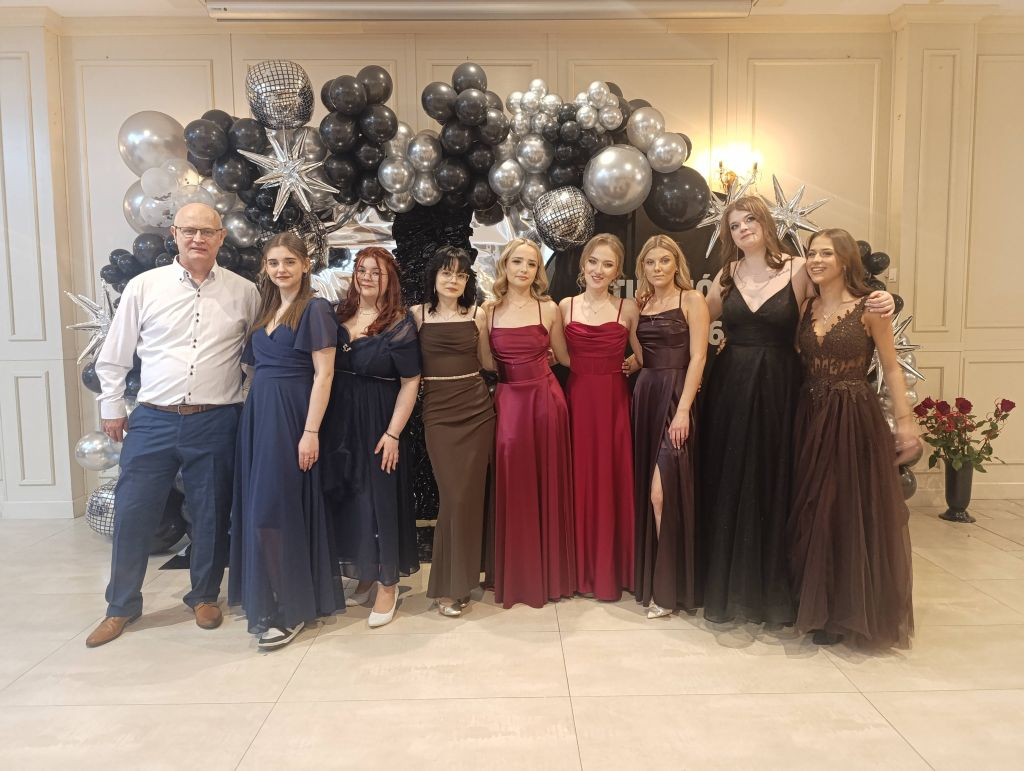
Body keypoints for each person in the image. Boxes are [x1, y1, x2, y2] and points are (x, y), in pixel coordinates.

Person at [700, 196, 894, 626]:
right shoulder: (727, 274)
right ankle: (731, 584)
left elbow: (840, 301)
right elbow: (696, 315)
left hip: (781, 388)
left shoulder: (800, 268)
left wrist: (883, 299)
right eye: (734, 225)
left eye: (750, 220)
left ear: (767, 223)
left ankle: (777, 589)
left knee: (777, 479)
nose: (743, 229)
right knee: (732, 479)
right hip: (731, 389)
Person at [86, 202, 258, 648]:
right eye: (189, 230)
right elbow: (115, 353)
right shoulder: (144, 287)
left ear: (221, 237)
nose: (198, 238)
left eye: (207, 231)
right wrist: (111, 406)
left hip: (216, 420)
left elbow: (253, 358)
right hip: (153, 420)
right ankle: (121, 605)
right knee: (133, 512)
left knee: (210, 514)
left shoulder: (244, 292)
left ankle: (203, 596)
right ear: (174, 235)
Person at [788, 228, 916, 648]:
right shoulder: (806, 307)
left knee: (843, 507)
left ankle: (845, 610)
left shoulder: (870, 307)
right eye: (812, 253)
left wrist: (905, 421)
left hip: (852, 416)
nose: (816, 260)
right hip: (810, 412)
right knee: (813, 506)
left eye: (826, 253)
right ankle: (818, 603)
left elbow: (891, 367)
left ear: (844, 260)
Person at [228, 233, 338, 649]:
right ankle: (274, 595)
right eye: (273, 262)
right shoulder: (266, 309)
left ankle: (289, 608)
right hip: (260, 417)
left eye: (289, 261)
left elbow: (324, 375)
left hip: (292, 417)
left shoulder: (315, 309)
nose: (281, 269)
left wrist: (310, 432)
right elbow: (253, 368)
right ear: (265, 267)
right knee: (262, 509)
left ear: (306, 265)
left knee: (275, 511)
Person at [322, 246, 420, 628]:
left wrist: (393, 433)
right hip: (339, 419)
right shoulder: (337, 314)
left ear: (389, 278)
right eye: (362, 269)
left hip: (379, 419)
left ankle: (387, 583)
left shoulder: (399, 323)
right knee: (350, 497)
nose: (367, 277)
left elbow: (411, 381)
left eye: (376, 272)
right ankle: (364, 570)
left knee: (381, 500)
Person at [624, 236, 709, 617]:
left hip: (676, 397)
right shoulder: (642, 304)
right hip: (646, 396)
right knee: (649, 493)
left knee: (662, 493)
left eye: (664, 261)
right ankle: (658, 583)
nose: (657, 268)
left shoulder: (691, 300)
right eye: (650, 262)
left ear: (677, 264)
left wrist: (684, 409)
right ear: (642, 267)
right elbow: (645, 355)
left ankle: (668, 589)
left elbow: (698, 357)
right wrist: (632, 363)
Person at [488, 238, 575, 609]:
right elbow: (486, 363)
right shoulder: (488, 311)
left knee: (547, 482)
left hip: (545, 401)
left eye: (532, 264)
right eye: (517, 262)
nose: (524, 269)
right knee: (514, 483)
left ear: (539, 271)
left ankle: (551, 575)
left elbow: (565, 357)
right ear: (505, 265)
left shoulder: (549, 308)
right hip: (509, 401)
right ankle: (518, 575)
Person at [410, 246, 495, 617]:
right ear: (434, 277)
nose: (453, 280)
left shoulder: (478, 314)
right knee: (453, 497)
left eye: (460, 274)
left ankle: (458, 584)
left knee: (470, 498)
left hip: (477, 410)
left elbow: (488, 362)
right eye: (446, 272)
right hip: (438, 413)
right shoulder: (416, 315)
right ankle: (450, 583)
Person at [559, 234, 639, 602]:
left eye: (608, 264)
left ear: (617, 272)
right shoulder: (565, 306)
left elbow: (645, 354)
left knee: (609, 480)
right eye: (593, 261)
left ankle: (609, 570)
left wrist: (632, 362)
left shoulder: (628, 308)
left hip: (613, 403)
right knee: (578, 480)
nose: (598, 270)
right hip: (577, 401)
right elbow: (555, 354)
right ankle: (577, 570)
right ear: (583, 263)